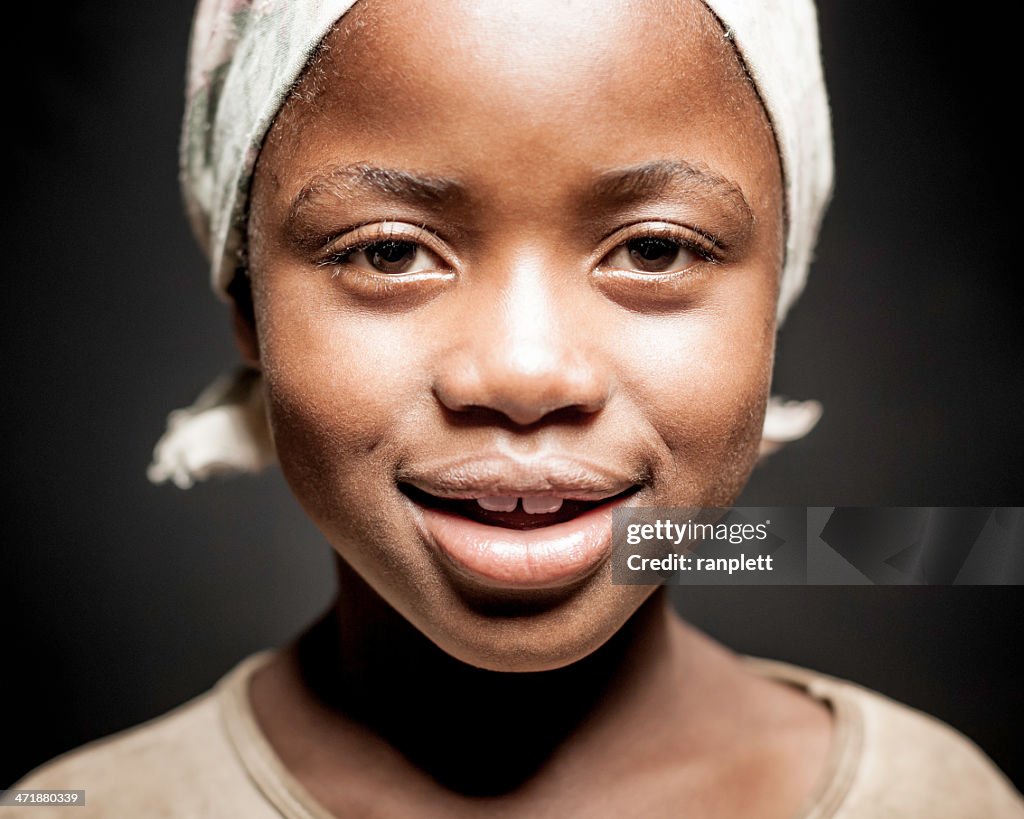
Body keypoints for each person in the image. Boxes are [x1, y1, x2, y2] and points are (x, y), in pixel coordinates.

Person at [5, 0, 1022, 816]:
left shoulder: (938, 801)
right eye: (391, 251)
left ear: (776, 295)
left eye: (655, 248)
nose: (526, 374)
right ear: (246, 303)